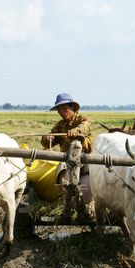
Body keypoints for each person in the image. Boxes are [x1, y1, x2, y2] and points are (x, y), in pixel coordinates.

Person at [41, 92, 93, 222]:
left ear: (72, 108)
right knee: (64, 180)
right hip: (66, 161)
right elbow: (46, 143)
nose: (62, 112)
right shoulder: (59, 125)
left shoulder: (83, 119)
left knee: (94, 181)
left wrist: (77, 131)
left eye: (65, 109)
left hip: (84, 159)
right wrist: (47, 138)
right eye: (59, 110)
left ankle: (89, 207)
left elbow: (84, 127)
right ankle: (67, 209)